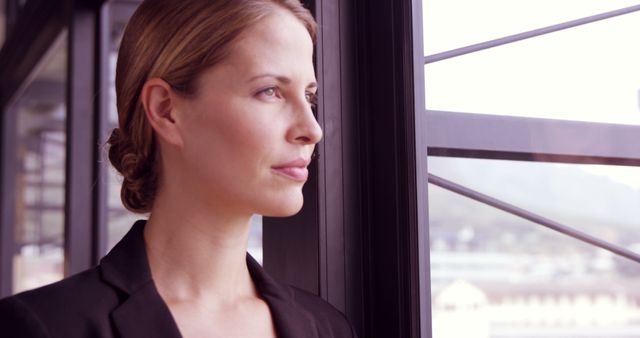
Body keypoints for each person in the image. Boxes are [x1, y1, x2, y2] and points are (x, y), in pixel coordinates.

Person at [0, 0, 357, 337]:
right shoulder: (43, 327)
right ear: (167, 110)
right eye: (270, 91)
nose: (313, 130)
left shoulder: (326, 327)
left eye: (308, 96)